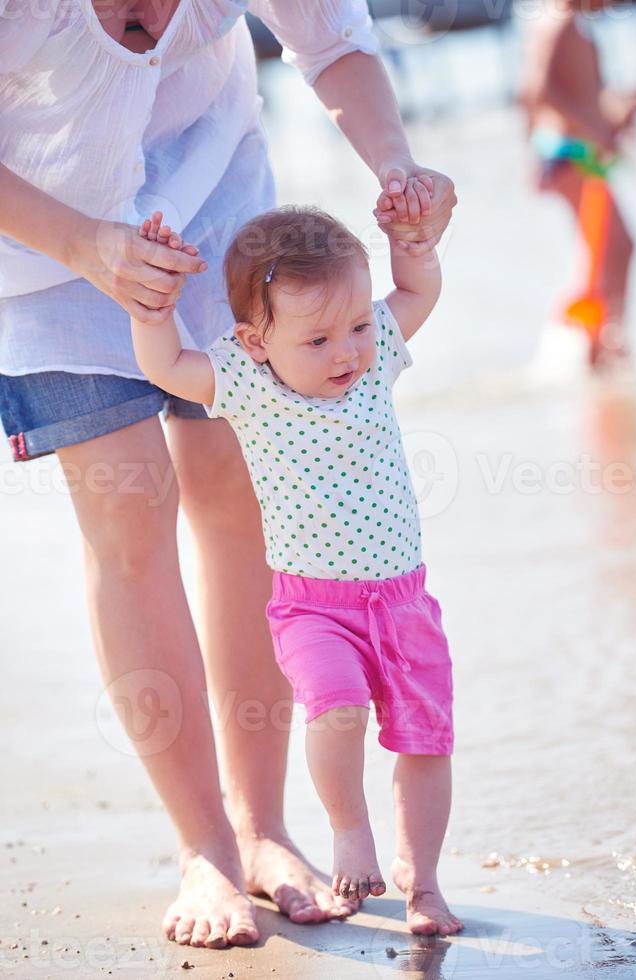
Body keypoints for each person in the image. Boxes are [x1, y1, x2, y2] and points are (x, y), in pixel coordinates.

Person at [0, 0, 456, 950]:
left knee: (243, 504)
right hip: (41, 243)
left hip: (225, 223)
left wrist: (398, 170)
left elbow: (336, 45)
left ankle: (265, 829)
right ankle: (203, 846)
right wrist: (85, 244)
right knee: (128, 524)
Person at [130, 199, 464, 939]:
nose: (346, 351)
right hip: (314, 608)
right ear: (255, 341)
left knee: (426, 741)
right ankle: (350, 835)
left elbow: (416, 294)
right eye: (317, 338)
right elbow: (165, 365)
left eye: (353, 327)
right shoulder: (247, 387)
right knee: (337, 708)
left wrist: (411, 243)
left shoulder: (370, 357)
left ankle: (425, 885)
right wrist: (154, 304)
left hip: (405, 603)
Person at [520, 0, 636, 365]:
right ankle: (603, 343)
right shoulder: (557, 20)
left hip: (575, 149)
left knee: (607, 252)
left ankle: (602, 340)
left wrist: (629, 104)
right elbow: (536, 90)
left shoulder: (569, 22)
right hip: (569, 151)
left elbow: (581, 96)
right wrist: (595, 131)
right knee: (616, 248)